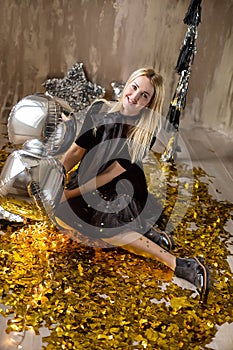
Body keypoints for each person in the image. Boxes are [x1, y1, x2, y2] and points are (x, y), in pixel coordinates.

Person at [55, 67, 210, 303]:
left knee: (107, 230)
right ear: (128, 84)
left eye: (144, 96)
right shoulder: (99, 109)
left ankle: (180, 264)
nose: (135, 97)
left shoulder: (144, 133)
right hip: (88, 178)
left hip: (118, 186)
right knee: (61, 215)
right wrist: (57, 179)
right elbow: (77, 149)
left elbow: (109, 175)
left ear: (149, 103)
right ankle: (147, 232)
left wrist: (71, 193)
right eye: (134, 87)